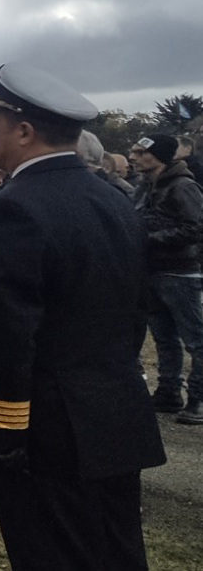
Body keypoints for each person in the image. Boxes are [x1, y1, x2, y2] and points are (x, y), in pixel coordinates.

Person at [0, 64, 165, 570]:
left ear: (24, 132)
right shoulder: (111, 200)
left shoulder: (12, 209)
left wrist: (1, 434)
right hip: (112, 417)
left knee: (51, 552)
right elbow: (133, 313)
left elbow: (4, 335)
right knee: (114, 549)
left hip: (46, 433)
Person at [129, 134, 203, 422]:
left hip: (180, 272)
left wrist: (149, 239)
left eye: (139, 152)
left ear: (156, 155)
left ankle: (197, 399)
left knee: (195, 339)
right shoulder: (144, 187)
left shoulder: (183, 186)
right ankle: (169, 392)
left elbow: (195, 228)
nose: (133, 157)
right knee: (164, 338)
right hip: (153, 272)